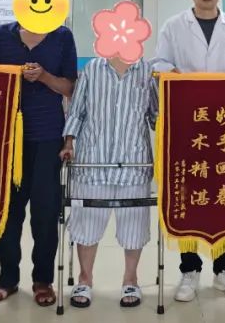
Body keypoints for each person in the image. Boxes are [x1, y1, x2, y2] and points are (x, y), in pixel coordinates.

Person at [153, 0, 225, 302]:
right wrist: (182, 77)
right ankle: (189, 271)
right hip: (188, 122)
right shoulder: (173, 26)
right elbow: (159, 63)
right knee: (188, 192)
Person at [0, 6, 78, 307]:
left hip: (48, 136)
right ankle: (7, 279)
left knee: (45, 213)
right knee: (8, 213)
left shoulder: (62, 36)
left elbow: (70, 88)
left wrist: (44, 76)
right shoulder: (2, 35)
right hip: (9, 138)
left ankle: (42, 280)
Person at [60, 50, 158, 310]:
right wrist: (68, 143)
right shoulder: (92, 69)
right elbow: (77, 112)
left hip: (134, 161)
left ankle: (130, 279)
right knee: (87, 224)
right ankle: (85, 279)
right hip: (93, 160)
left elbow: (156, 116)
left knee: (134, 226)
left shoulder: (147, 72)